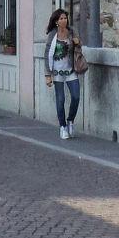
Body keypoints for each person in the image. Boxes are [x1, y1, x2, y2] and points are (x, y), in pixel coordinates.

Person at [43, 8, 82, 140]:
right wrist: (47, 75)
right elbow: (47, 53)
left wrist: (78, 43)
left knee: (76, 96)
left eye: (65, 18)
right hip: (57, 71)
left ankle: (70, 120)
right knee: (61, 100)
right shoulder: (52, 35)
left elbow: (78, 49)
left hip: (71, 70)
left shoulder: (72, 32)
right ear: (56, 22)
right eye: (61, 18)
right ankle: (62, 127)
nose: (64, 20)